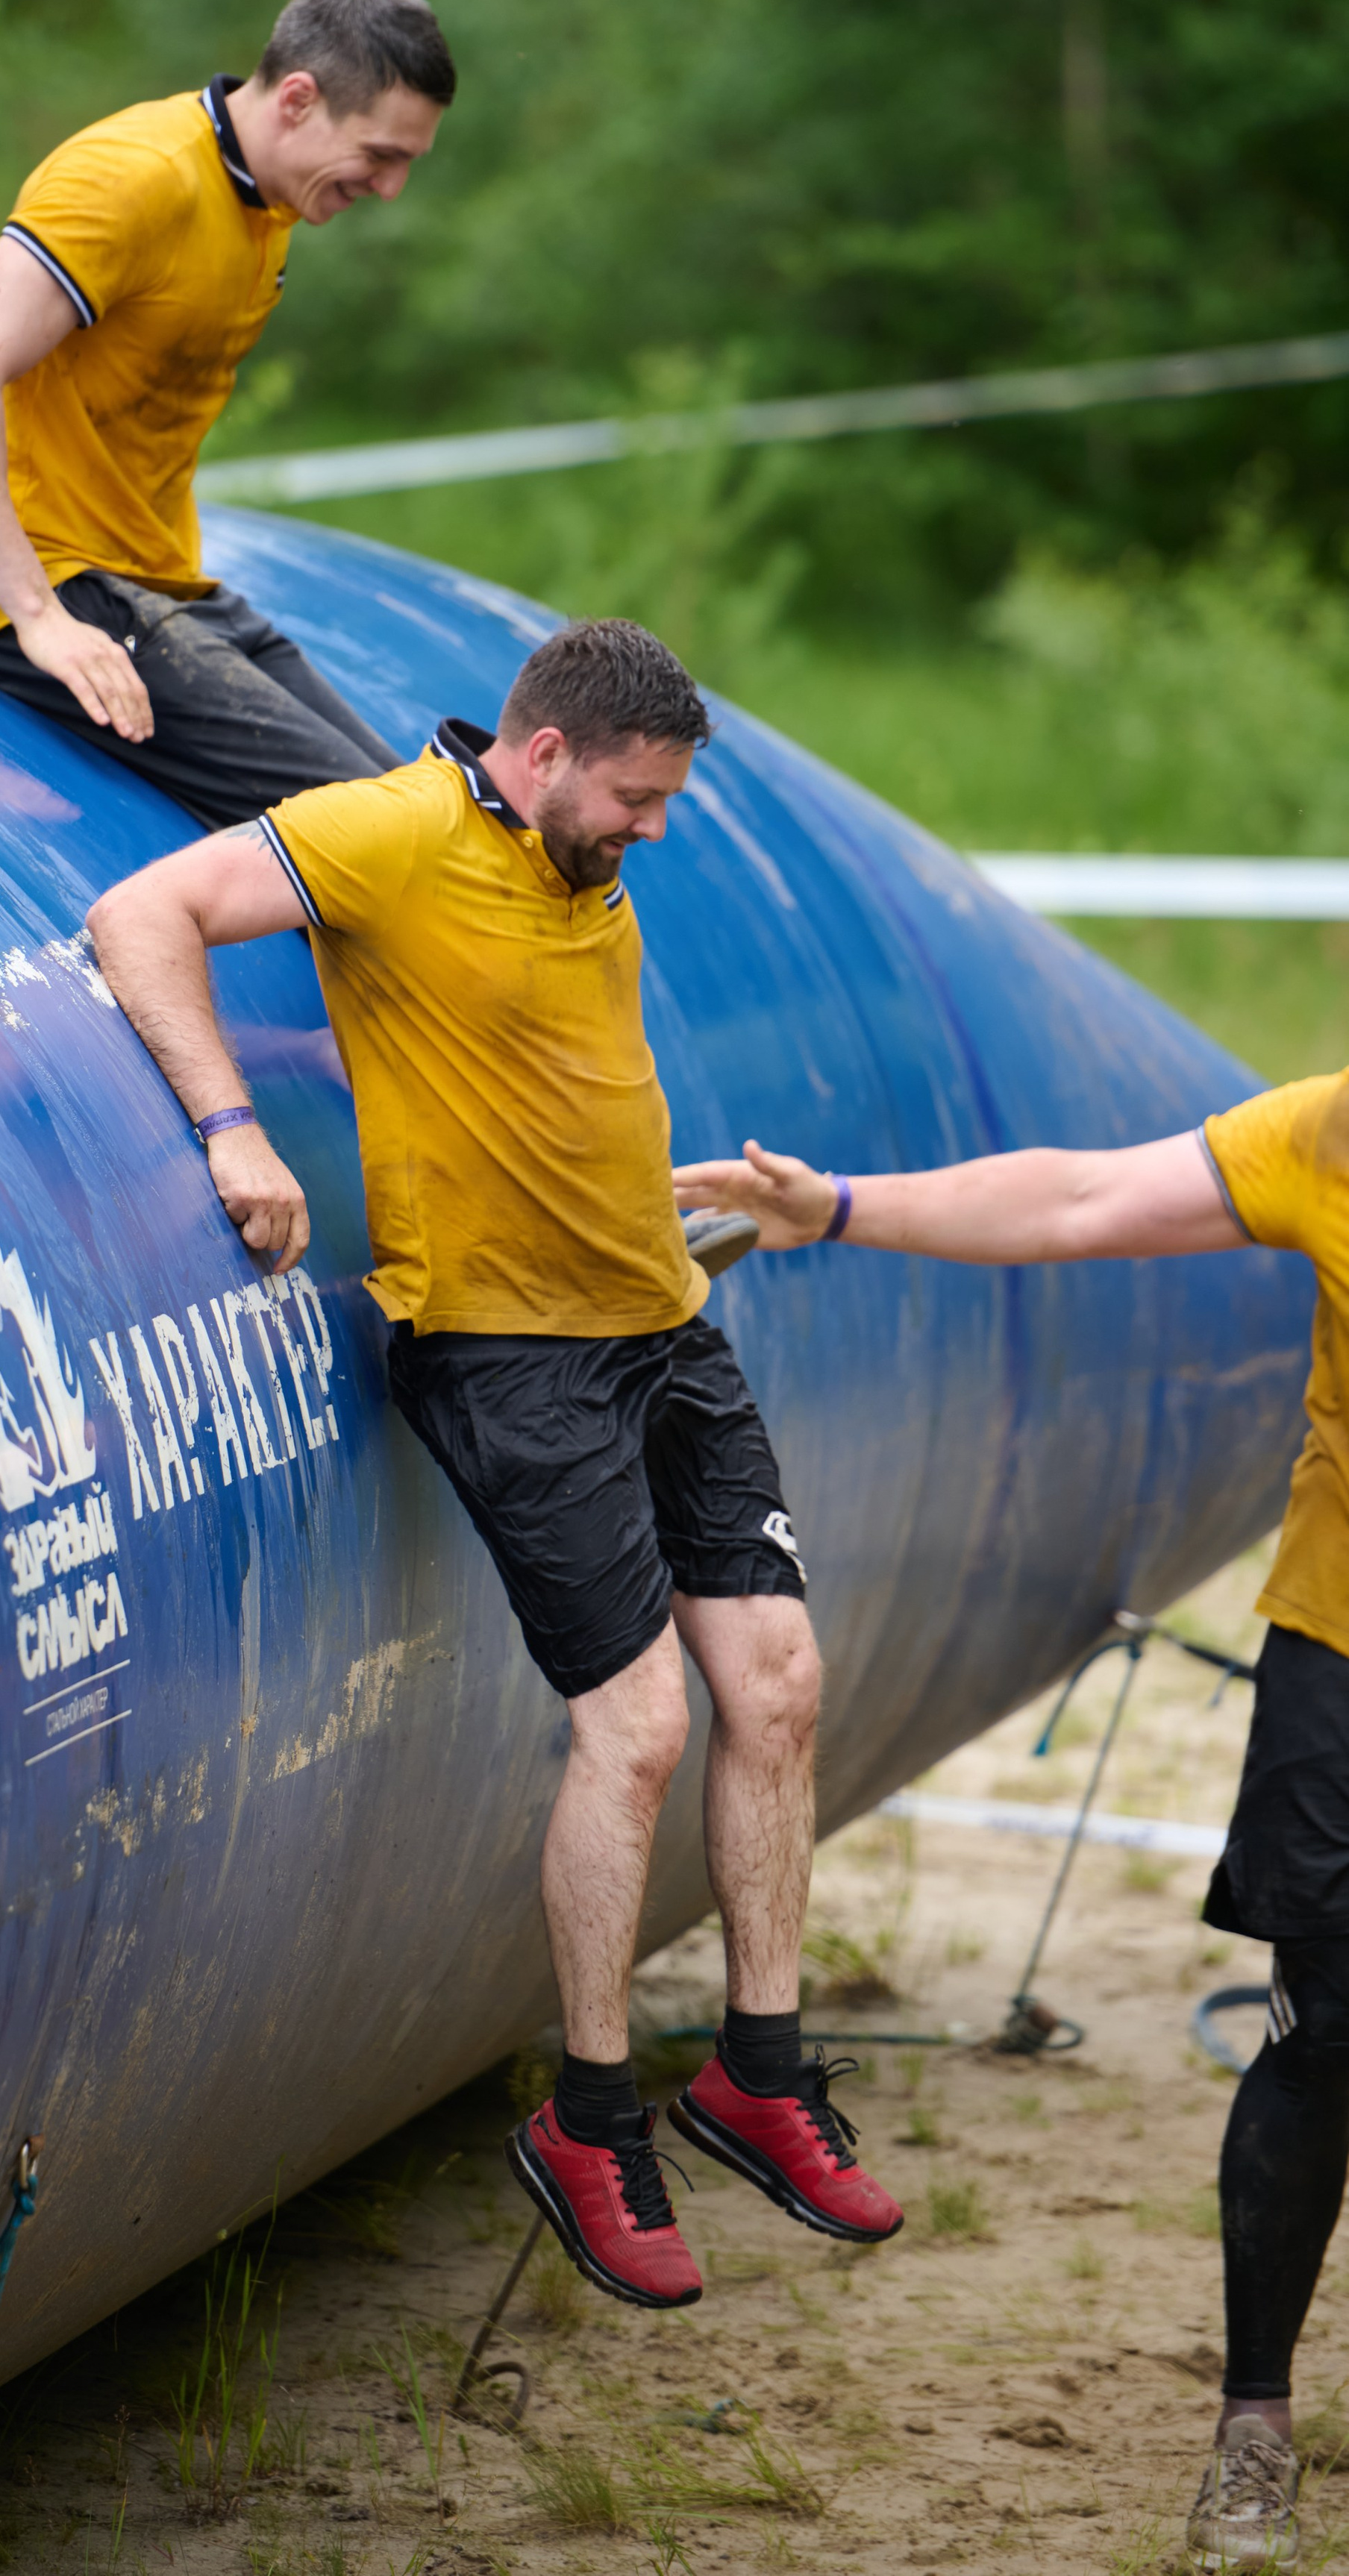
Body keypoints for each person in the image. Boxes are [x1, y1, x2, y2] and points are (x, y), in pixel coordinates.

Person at [85, 618, 905, 2310]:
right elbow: (137, 912)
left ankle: (757, 2065)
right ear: (538, 757)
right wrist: (229, 1125)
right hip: (506, 1351)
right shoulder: (386, 831)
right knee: (641, 1728)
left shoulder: (573, 847)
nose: (652, 829)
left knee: (778, 1681)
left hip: (659, 1317)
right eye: (633, 797)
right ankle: (587, 2120)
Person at [676, 1090, 1349, 2571]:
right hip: (1338, 1650)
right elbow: (1076, 1204)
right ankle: (1250, 2428)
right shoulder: (1331, 1135)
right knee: (1323, 2043)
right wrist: (835, 1206)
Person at [0, 0, 455, 828]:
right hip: (42, 594)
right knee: (377, 840)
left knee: (430, 816)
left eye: (409, 165)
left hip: (158, 581)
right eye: (380, 157)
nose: (390, 190)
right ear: (298, 99)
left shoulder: (266, 204)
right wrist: (40, 619)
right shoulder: (135, 179)